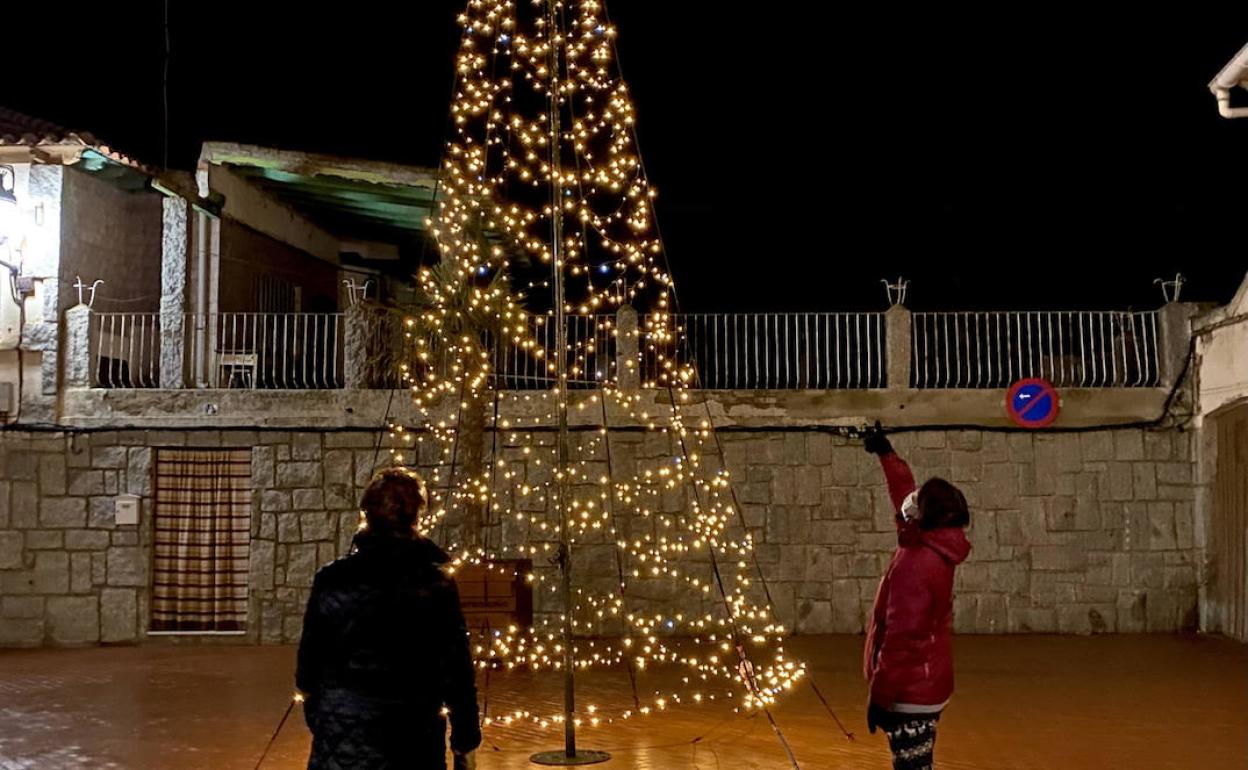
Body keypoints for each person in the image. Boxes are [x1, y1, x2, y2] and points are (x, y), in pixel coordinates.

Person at [296, 467, 481, 770]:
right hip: (412, 736)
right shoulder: (434, 584)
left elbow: (309, 666)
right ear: (416, 517)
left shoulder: (331, 579)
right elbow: (457, 672)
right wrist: (464, 742)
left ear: (366, 514)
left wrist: (327, 719)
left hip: (342, 733)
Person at [861, 422, 971, 770]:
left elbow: (903, 639)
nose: (910, 503)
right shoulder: (933, 542)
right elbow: (903, 492)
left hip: (909, 693)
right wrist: (886, 453)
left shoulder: (916, 562)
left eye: (918, 501)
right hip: (927, 682)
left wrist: (880, 698)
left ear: (925, 515)